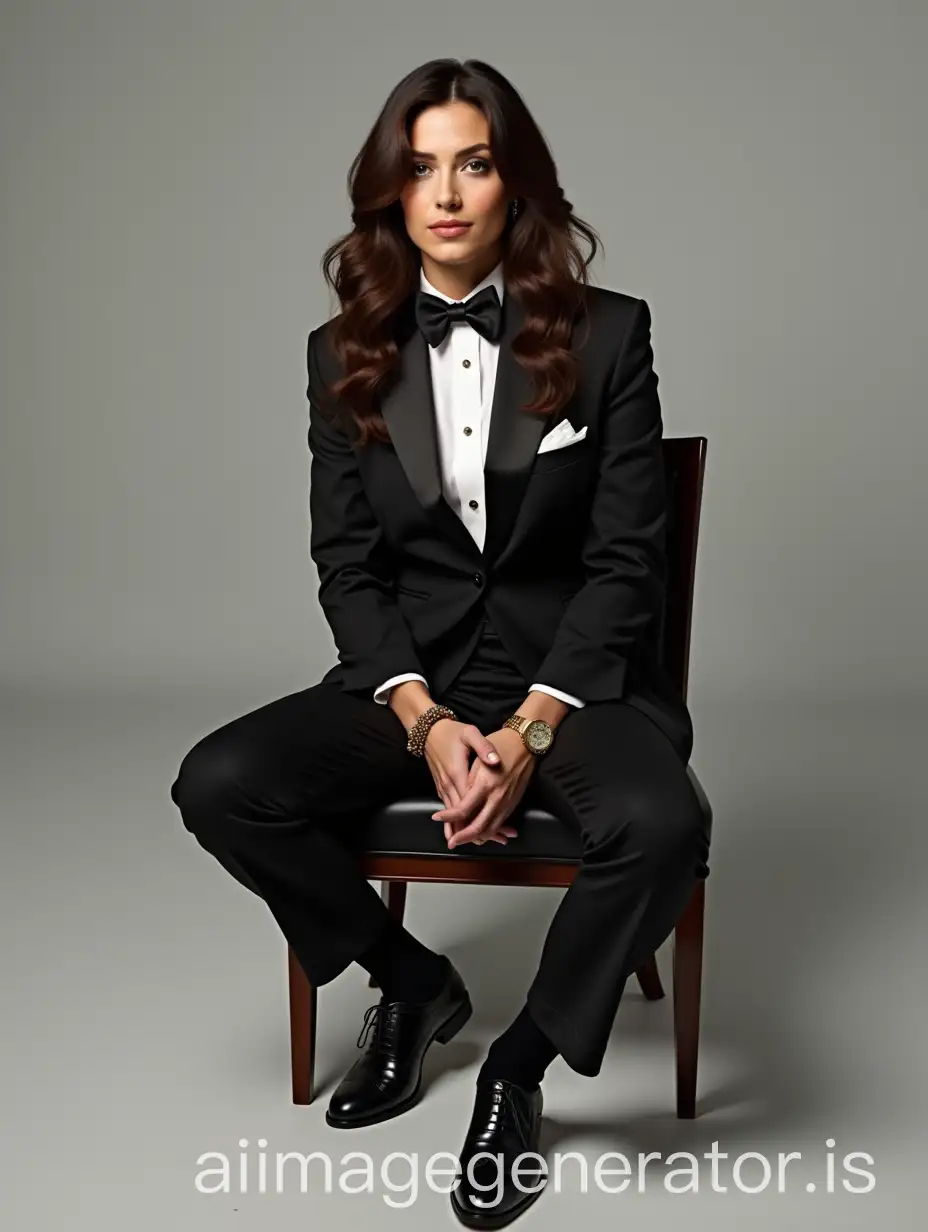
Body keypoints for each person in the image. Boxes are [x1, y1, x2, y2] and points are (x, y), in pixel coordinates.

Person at [170, 56, 709, 1228]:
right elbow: (348, 566)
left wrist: (527, 724)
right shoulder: (341, 353)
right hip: (411, 680)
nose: (449, 193)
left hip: (573, 681)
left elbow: (629, 561)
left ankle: (516, 1067)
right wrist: (423, 716)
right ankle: (412, 982)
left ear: (515, 184)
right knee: (219, 782)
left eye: (473, 162)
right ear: (389, 194)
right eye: (421, 169)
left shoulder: (608, 337)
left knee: (666, 821)